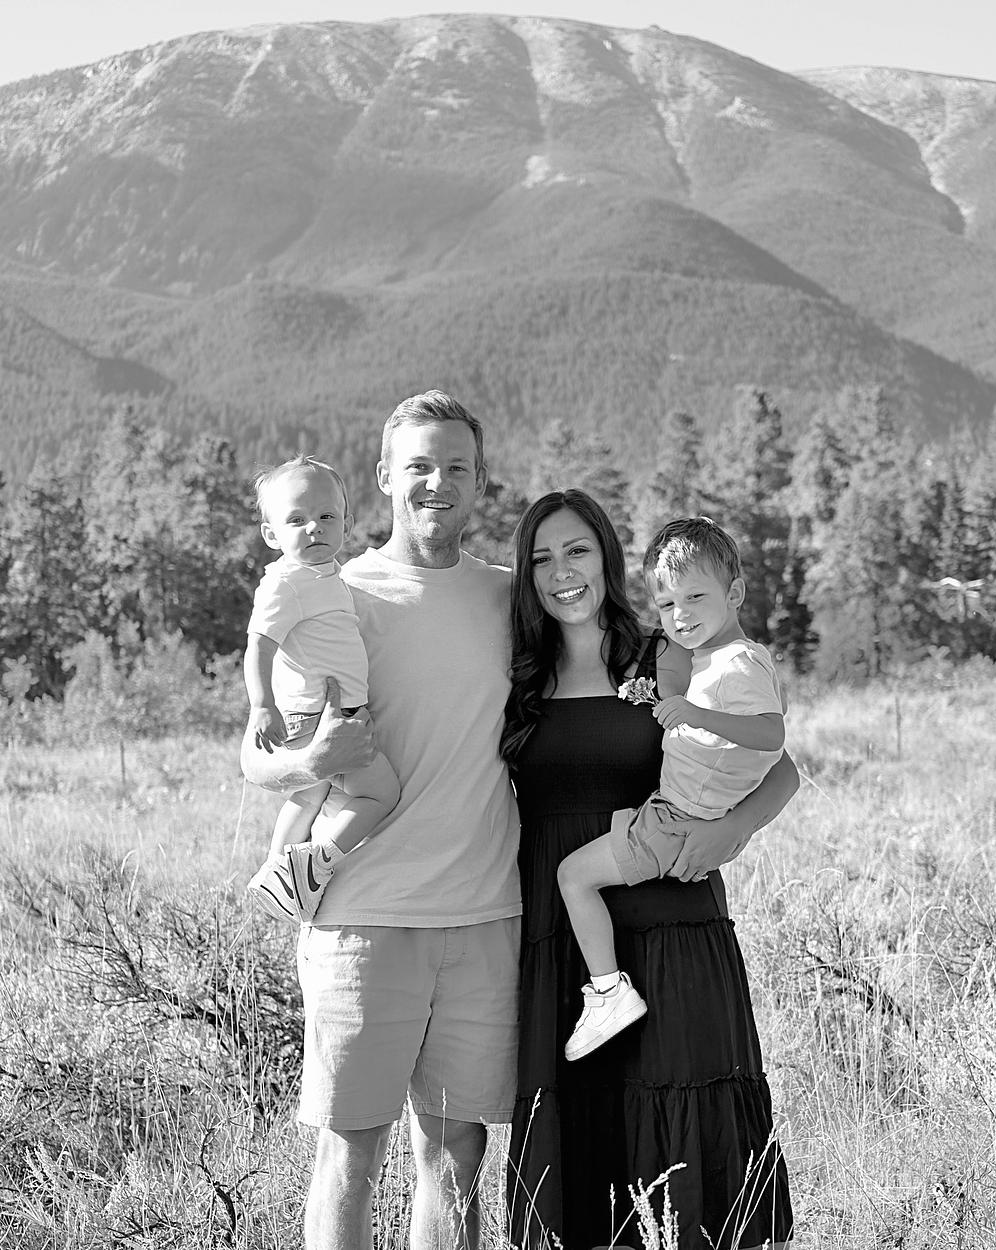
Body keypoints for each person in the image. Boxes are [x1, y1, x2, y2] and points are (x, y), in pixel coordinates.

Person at [239, 392, 520, 1250]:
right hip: (361, 919)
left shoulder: (511, 600)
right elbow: (257, 758)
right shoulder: (333, 589)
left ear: (480, 481)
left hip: (483, 918)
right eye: (419, 466)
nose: (438, 482)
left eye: (457, 466)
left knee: (457, 1158)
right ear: (384, 477)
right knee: (350, 1157)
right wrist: (307, 764)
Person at [500, 489, 795, 1250]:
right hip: (566, 938)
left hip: (673, 923)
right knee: (583, 1141)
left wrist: (733, 829)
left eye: (578, 551)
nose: (562, 572)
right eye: (542, 558)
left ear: (608, 556)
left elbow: (779, 763)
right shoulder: (518, 674)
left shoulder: (665, 651)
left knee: (685, 1132)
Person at [556, 517, 785, 1060]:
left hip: (676, 824)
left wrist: (696, 716)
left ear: (735, 594)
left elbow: (772, 738)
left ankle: (608, 993)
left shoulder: (738, 662)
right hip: (669, 813)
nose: (680, 615)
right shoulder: (710, 659)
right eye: (666, 604)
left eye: (695, 598)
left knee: (574, 877)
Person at [244, 454, 400, 921]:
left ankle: (278, 868)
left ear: (346, 525)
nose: (314, 527)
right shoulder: (286, 583)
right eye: (297, 520)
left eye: (326, 516)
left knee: (309, 795)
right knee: (381, 794)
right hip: (319, 716)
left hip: (322, 712)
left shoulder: (327, 575)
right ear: (272, 535)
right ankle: (317, 862)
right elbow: (259, 646)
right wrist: (261, 705)